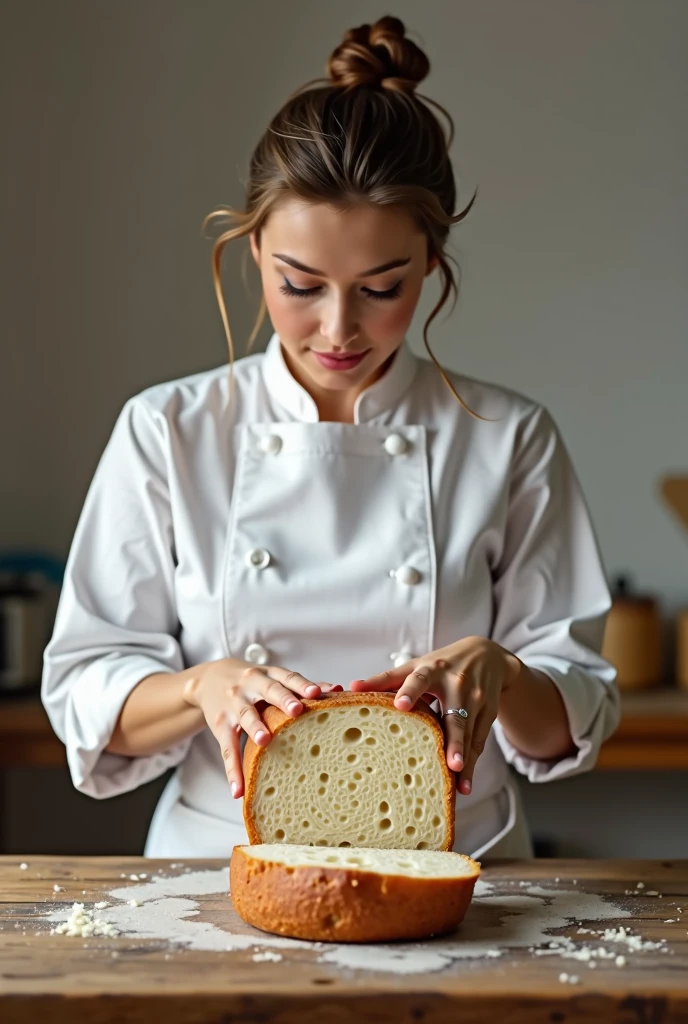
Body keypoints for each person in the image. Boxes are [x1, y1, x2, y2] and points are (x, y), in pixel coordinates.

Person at [41, 16, 619, 860]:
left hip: (460, 865)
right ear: (251, 250)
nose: (338, 328)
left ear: (430, 264)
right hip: (217, 866)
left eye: (381, 287)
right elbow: (89, 697)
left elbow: (570, 718)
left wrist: (504, 672)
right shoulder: (167, 431)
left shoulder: (508, 438)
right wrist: (205, 686)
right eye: (300, 285)